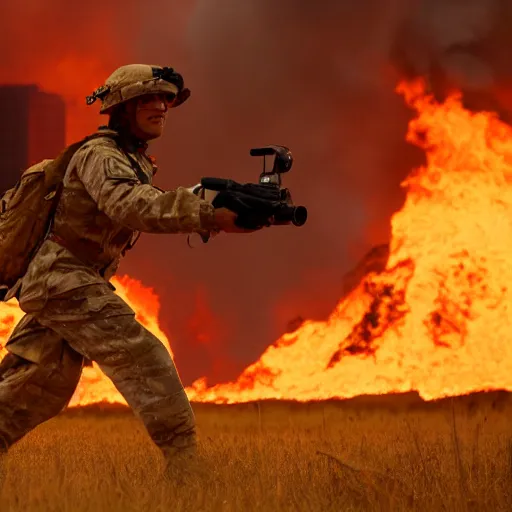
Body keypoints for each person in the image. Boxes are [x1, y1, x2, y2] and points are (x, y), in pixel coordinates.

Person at [0, 64, 254, 481]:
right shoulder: (101, 156)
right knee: (145, 356)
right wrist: (207, 213)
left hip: (67, 279)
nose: (162, 106)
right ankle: (187, 471)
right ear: (122, 107)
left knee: (43, 383)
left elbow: (143, 199)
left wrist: (224, 206)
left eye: (166, 100)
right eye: (149, 99)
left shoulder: (129, 159)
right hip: (64, 276)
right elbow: (133, 206)